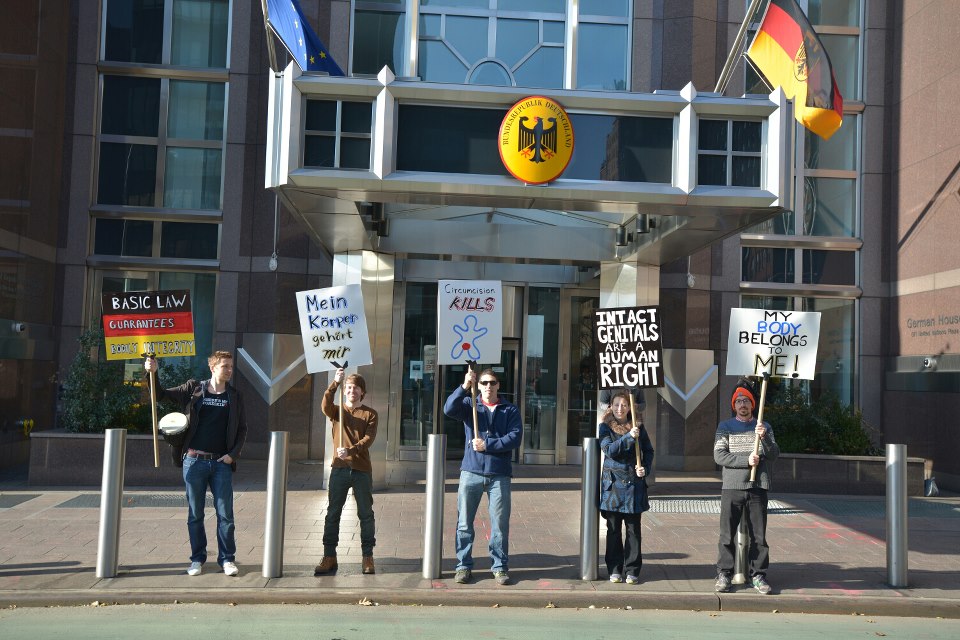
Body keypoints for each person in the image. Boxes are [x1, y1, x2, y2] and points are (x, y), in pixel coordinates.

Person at [144, 350, 247, 577]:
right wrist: (153, 373)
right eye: (225, 366)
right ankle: (197, 560)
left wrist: (233, 455)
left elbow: (242, 429)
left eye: (231, 366)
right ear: (212, 367)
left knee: (226, 516)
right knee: (195, 515)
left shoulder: (235, 396)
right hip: (194, 461)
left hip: (221, 463)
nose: (229, 370)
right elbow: (160, 395)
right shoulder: (194, 389)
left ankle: (227, 559)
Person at [443, 368, 522, 586]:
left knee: (499, 524)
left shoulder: (510, 410)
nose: (488, 386)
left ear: (498, 386)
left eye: (493, 383)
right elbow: (449, 409)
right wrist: (464, 385)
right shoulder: (470, 405)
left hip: (499, 474)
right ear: (479, 385)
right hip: (471, 471)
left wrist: (488, 445)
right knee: (464, 523)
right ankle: (463, 565)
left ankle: (499, 567)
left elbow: (515, 438)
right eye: (484, 382)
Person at [713, 384, 780, 595]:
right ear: (734, 405)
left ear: (753, 404)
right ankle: (724, 573)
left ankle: (758, 575)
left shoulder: (764, 427)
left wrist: (765, 438)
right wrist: (746, 460)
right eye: (739, 401)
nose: (743, 404)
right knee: (727, 534)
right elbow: (719, 456)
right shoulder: (725, 426)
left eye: (747, 401)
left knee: (758, 536)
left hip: (757, 486)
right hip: (732, 486)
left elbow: (774, 454)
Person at [314, 368, 379, 576]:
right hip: (339, 469)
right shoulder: (337, 411)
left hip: (361, 469)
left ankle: (367, 556)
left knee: (366, 514)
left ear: (362, 392)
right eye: (348, 388)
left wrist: (350, 450)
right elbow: (324, 405)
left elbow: (368, 439)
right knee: (333, 513)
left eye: (356, 388)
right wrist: (335, 382)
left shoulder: (370, 414)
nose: (351, 391)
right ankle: (329, 556)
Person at [598, 388, 654, 584]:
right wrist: (630, 437)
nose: (620, 408)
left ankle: (632, 570)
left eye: (623, 405)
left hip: (633, 487)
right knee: (613, 530)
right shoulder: (605, 427)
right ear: (611, 407)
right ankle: (614, 568)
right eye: (616, 405)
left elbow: (648, 451)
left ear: (630, 407)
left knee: (633, 530)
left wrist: (644, 468)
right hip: (612, 487)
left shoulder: (638, 426)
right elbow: (609, 450)